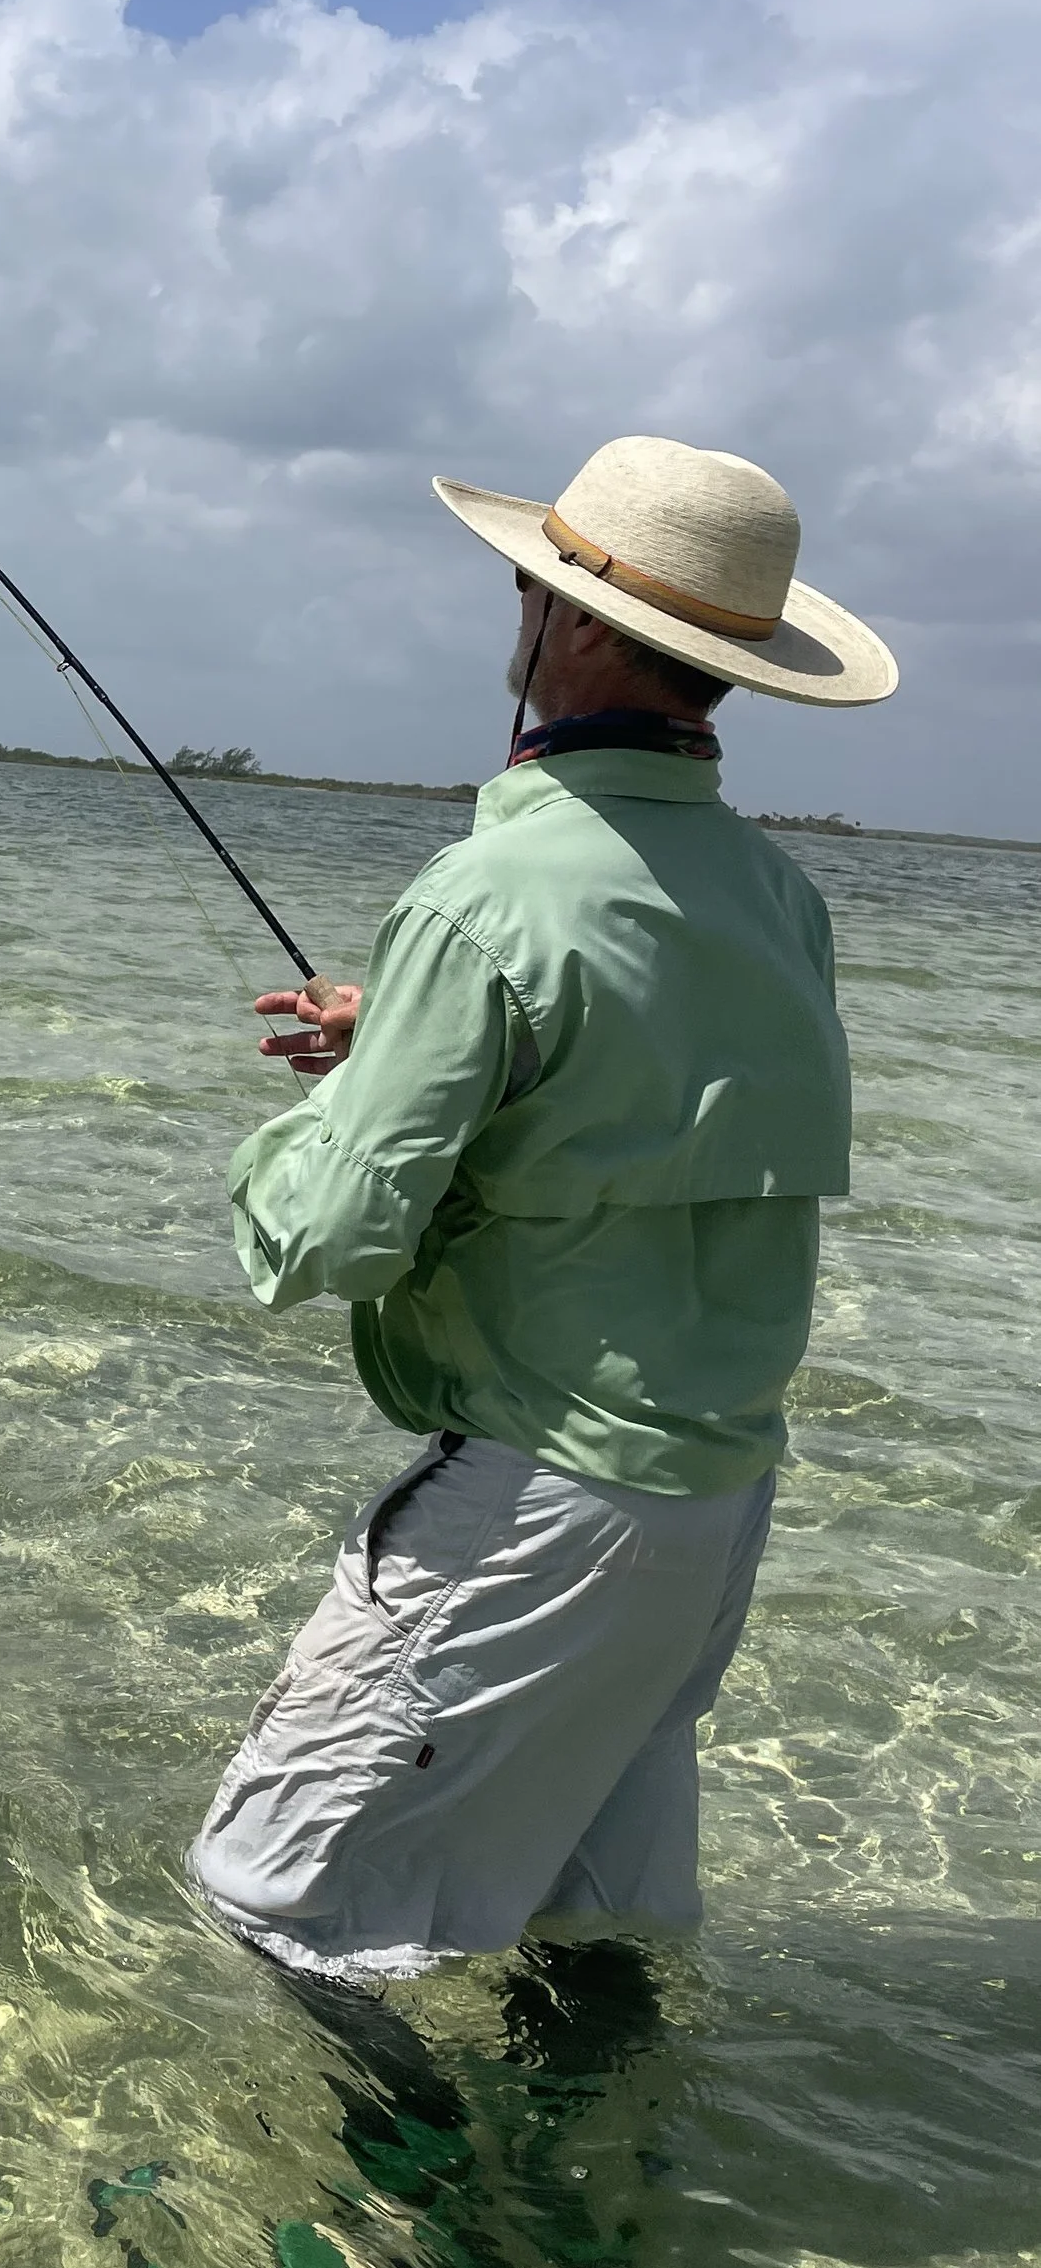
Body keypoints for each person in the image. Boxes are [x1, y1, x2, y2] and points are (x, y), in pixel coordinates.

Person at [187, 434, 897, 1990]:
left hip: (546, 1509)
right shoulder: (780, 898)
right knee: (591, 1927)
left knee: (271, 1906)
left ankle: (387, 2231)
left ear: (571, 628)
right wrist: (412, 1023)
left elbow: (325, 1237)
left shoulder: (483, 895)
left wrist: (306, 1122)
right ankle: (593, 2221)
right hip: (714, 1507)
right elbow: (638, 1082)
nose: (516, 605)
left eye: (535, 580)